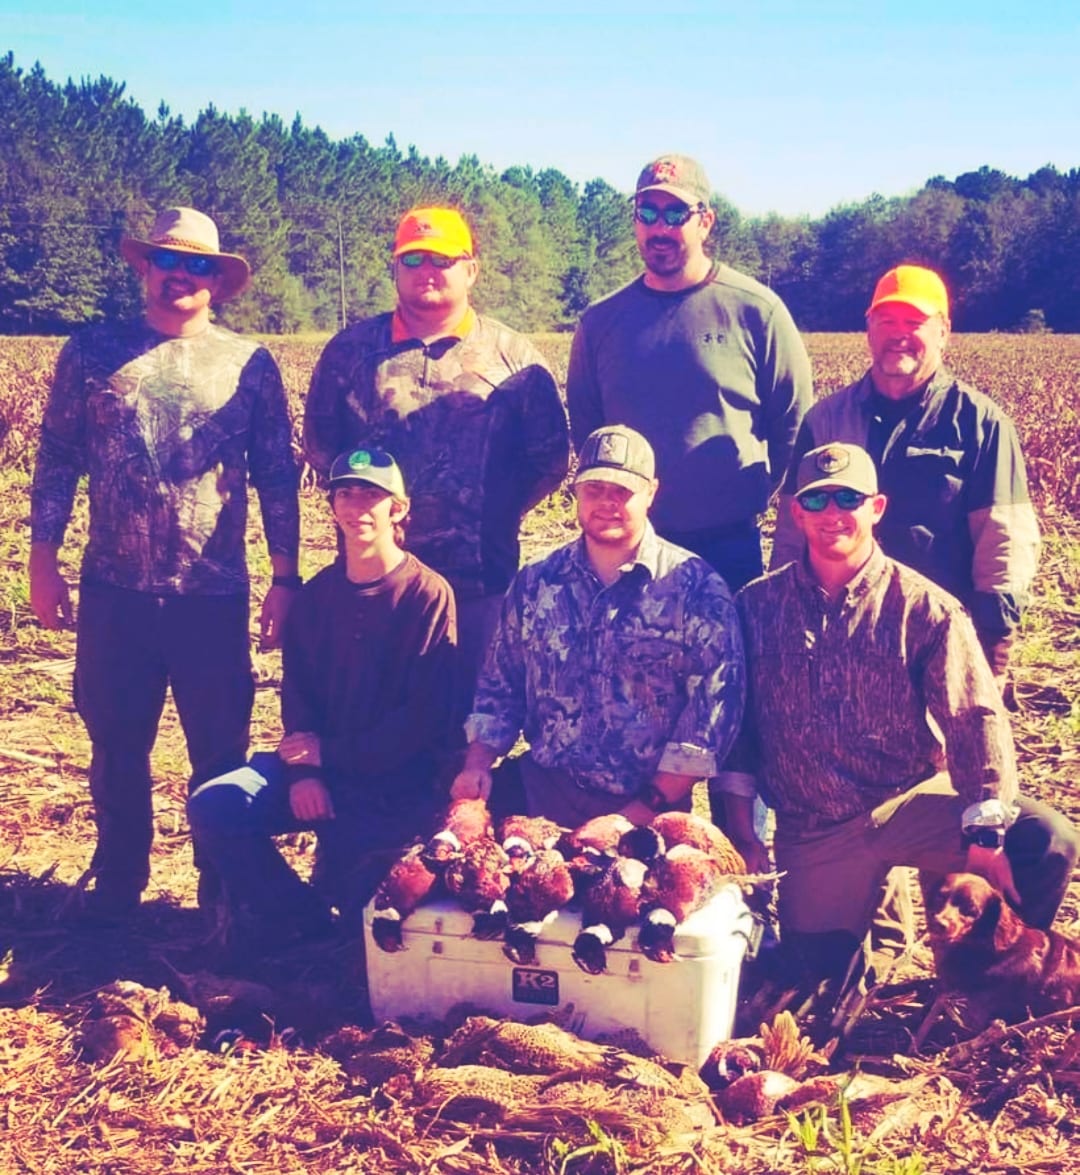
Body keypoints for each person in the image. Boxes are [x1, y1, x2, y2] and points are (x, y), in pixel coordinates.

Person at [717, 442, 1078, 983]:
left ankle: (986, 983)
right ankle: (868, 935)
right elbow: (738, 735)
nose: (832, 513)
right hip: (814, 827)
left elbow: (974, 717)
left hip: (905, 802)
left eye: (848, 498)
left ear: (876, 508)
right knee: (814, 988)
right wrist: (743, 835)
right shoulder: (754, 607)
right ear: (796, 512)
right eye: (816, 501)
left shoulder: (924, 606)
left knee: (1044, 839)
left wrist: (984, 837)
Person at [29, 206, 300, 920]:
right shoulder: (91, 352)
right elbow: (57, 457)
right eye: (168, 259)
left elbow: (278, 473)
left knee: (219, 752)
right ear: (144, 266)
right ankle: (119, 886)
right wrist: (41, 558)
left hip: (212, 598)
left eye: (198, 264)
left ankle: (220, 891)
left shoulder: (248, 364)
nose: (181, 274)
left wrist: (285, 576)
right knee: (116, 748)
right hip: (114, 593)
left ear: (217, 279)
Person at [303, 207, 569, 723]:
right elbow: (322, 450)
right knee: (371, 723)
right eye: (414, 258)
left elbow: (549, 459)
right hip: (376, 586)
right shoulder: (350, 352)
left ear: (471, 269)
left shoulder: (514, 356)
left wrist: (492, 514)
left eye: (444, 259)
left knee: (465, 728)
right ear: (395, 268)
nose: (428, 269)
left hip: (477, 585)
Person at [187, 447, 457, 944]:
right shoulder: (315, 597)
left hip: (395, 784)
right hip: (321, 769)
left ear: (398, 508)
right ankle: (299, 920)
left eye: (371, 495)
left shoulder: (428, 595)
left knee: (369, 929)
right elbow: (299, 696)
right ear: (332, 507)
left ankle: (344, 904)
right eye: (346, 494)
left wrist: (330, 755)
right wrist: (306, 772)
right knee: (215, 806)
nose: (357, 507)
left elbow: (424, 719)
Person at [452, 425, 745, 829]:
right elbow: (499, 689)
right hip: (542, 798)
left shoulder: (696, 589)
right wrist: (478, 763)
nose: (606, 503)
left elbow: (709, 723)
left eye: (622, 491)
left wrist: (635, 815)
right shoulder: (536, 582)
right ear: (575, 494)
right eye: (594, 489)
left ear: (651, 492)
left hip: (650, 810)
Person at [771, 264, 1040, 680]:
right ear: (869, 328)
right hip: (839, 632)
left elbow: (1003, 536)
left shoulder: (980, 423)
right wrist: (782, 612)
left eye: (914, 322)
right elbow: (794, 528)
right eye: (886, 321)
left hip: (941, 633)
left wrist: (994, 644)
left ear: (943, 331)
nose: (899, 333)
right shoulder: (825, 419)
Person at [566, 153, 813, 595]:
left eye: (676, 212)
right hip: (626, 546)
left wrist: (743, 495)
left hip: (727, 547)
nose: (660, 227)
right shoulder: (600, 321)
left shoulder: (757, 310)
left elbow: (795, 428)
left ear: (706, 221)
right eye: (647, 212)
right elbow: (588, 430)